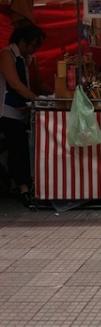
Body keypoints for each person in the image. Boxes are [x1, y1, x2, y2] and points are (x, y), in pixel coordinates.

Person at [0, 22, 52, 206]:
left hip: (24, 109)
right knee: (18, 146)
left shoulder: (29, 58)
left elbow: (38, 82)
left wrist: (54, 95)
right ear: (22, 41)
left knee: (24, 146)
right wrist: (36, 99)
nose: (35, 50)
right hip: (6, 110)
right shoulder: (7, 54)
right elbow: (14, 83)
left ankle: (21, 181)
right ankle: (23, 187)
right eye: (33, 45)